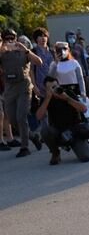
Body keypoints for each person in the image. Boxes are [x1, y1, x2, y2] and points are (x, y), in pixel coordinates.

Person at [1, 28, 43, 157]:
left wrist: (25, 50)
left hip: (23, 87)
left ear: (16, 38)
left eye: (12, 38)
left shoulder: (23, 50)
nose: (10, 41)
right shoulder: (2, 53)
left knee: (21, 117)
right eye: (6, 38)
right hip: (9, 88)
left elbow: (39, 62)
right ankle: (33, 136)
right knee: (13, 120)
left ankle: (24, 147)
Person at [35, 77, 89, 164]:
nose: (53, 90)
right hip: (58, 131)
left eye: (55, 87)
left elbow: (84, 109)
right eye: (50, 88)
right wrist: (48, 98)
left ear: (59, 85)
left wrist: (67, 99)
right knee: (45, 131)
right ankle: (55, 152)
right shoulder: (46, 99)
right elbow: (39, 117)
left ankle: (82, 143)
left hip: (74, 131)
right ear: (46, 89)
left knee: (85, 157)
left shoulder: (68, 93)